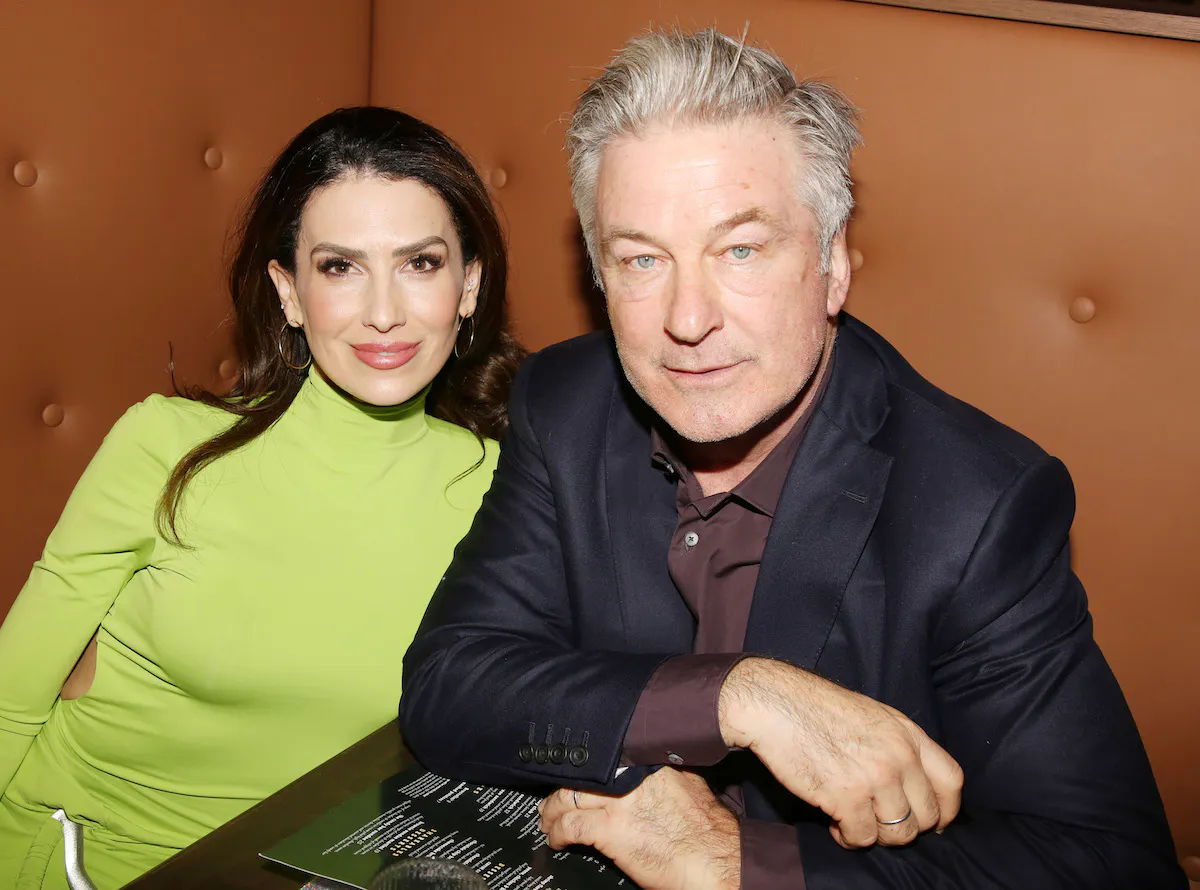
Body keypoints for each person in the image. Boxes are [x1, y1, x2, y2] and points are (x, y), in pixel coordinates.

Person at [399, 29, 1184, 889]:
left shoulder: (975, 505)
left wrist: (738, 864)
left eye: (740, 249)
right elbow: (449, 686)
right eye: (642, 259)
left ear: (833, 264)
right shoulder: (565, 404)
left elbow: (1111, 864)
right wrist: (736, 695)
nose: (688, 319)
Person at [0, 106, 523, 889]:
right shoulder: (167, 447)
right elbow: (11, 698)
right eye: (340, 267)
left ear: (469, 284)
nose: (384, 312)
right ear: (289, 293)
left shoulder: (505, 489)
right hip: (85, 862)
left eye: (420, 263)